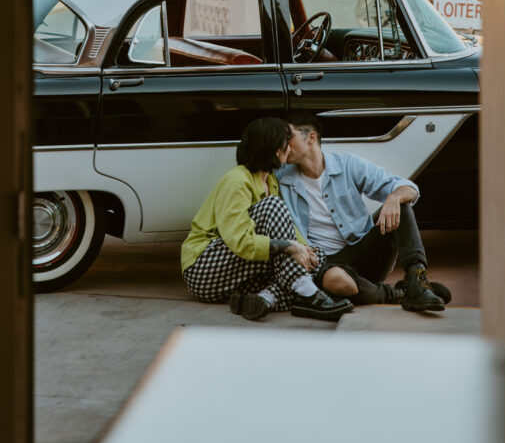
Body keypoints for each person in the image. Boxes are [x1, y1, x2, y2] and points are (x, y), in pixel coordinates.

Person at [181, 116, 353, 322]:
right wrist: (289, 246)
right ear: (273, 148)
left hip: (234, 276)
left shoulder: (270, 181)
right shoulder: (237, 180)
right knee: (274, 209)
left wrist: (305, 250)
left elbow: (286, 226)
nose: (289, 149)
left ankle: (264, 299)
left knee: (316, 259)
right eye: (285, 143)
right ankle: (308, 294)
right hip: (204, 269)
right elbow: (239, 241)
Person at [276, 111, 451, 312]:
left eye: (288, 136)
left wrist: (394, 197)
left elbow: (407, 187)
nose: (284, 145)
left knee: (401, 204)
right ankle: (399, 294)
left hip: (365, 252)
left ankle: (417, 279)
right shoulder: (281, 180)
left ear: (311, 138)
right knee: (337, 283)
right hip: (326, 264)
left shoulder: (347, 165)